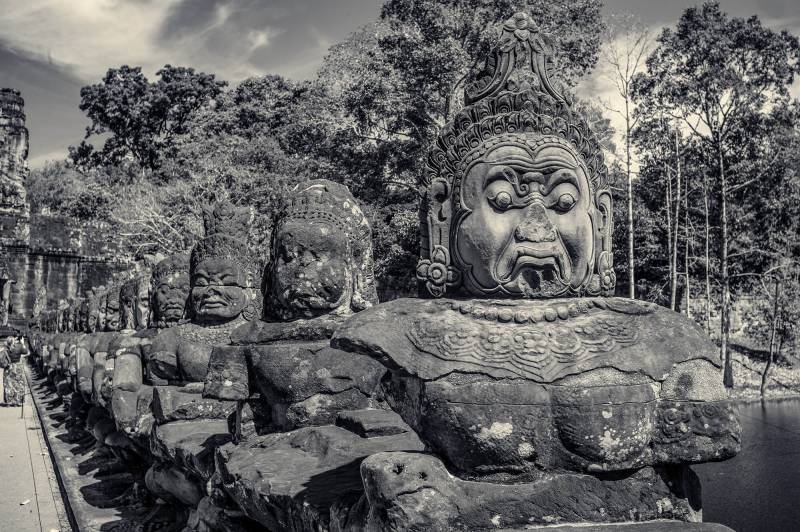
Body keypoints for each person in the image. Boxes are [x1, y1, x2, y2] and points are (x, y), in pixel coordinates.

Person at [0, 336, 27, 406]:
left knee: (8, 384)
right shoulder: (19, 347)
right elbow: (25, 352)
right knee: (18, 383)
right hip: (17, 367)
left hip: (8, 367)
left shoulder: (5, 348)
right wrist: (23, 343)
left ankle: (9, 401)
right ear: (14, 341)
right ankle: (18, 401)